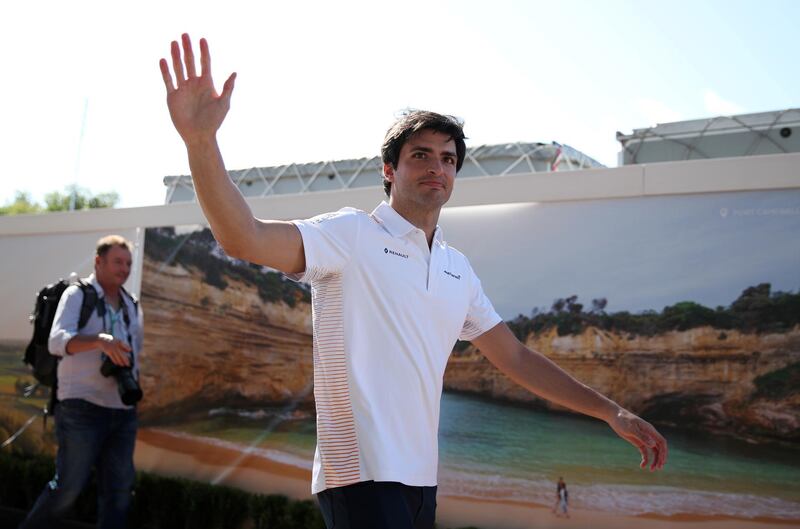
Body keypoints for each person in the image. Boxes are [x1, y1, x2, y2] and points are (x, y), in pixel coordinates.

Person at [159, 34, 668, 529]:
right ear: (390, 169)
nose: (437, 167)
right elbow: (242, 238)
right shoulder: (351, 234)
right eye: (420, 155)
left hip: (422, 482)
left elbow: (515, 358)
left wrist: (611, 412)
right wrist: (201, 142)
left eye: (448, 159)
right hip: (357, 476)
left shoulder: (456, 267)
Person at [19, 236, 143, 529]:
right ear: (98, 262)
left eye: (128, 263)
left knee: (119, 492)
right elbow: (57, 341)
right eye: (117, 262)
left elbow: (135, 352)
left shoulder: (131, 304)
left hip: (122, 410)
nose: (124, 269)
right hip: (81, 408)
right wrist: (100, 341)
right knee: (67, 490)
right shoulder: (77, 295)